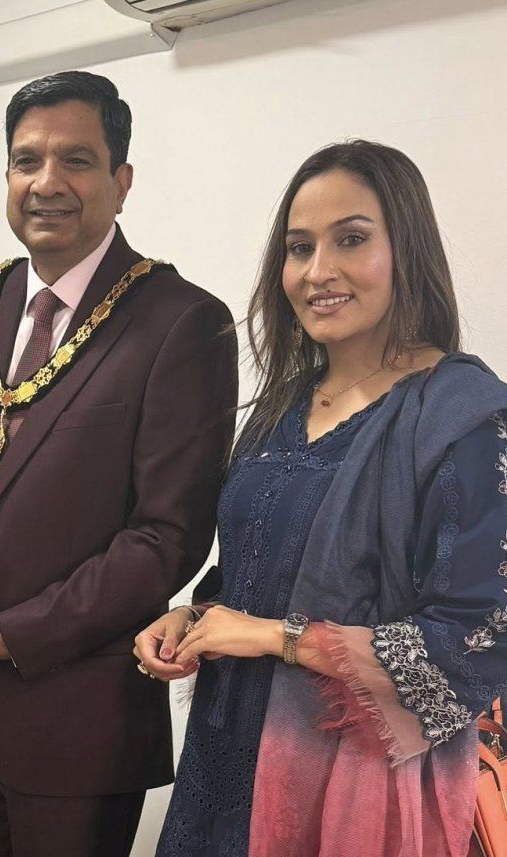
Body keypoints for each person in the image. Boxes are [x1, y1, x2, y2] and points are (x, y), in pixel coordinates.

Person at [0, 70, 238, 856]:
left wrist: (11, 632)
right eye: (26, 161)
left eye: (77, 161)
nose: (47, 183)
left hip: (80, 714)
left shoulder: (182, 321)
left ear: (122, 182)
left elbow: (165, 537)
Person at [135, 140, 507, 856]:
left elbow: (482, 638)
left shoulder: (462, 416)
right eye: (299, 247)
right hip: (225, 758)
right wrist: (198, 615)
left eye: (352, 240)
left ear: (409, 250)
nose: (318, 272)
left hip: (358, 785)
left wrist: (279, 636)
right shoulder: (280, 406)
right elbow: (254, 572)